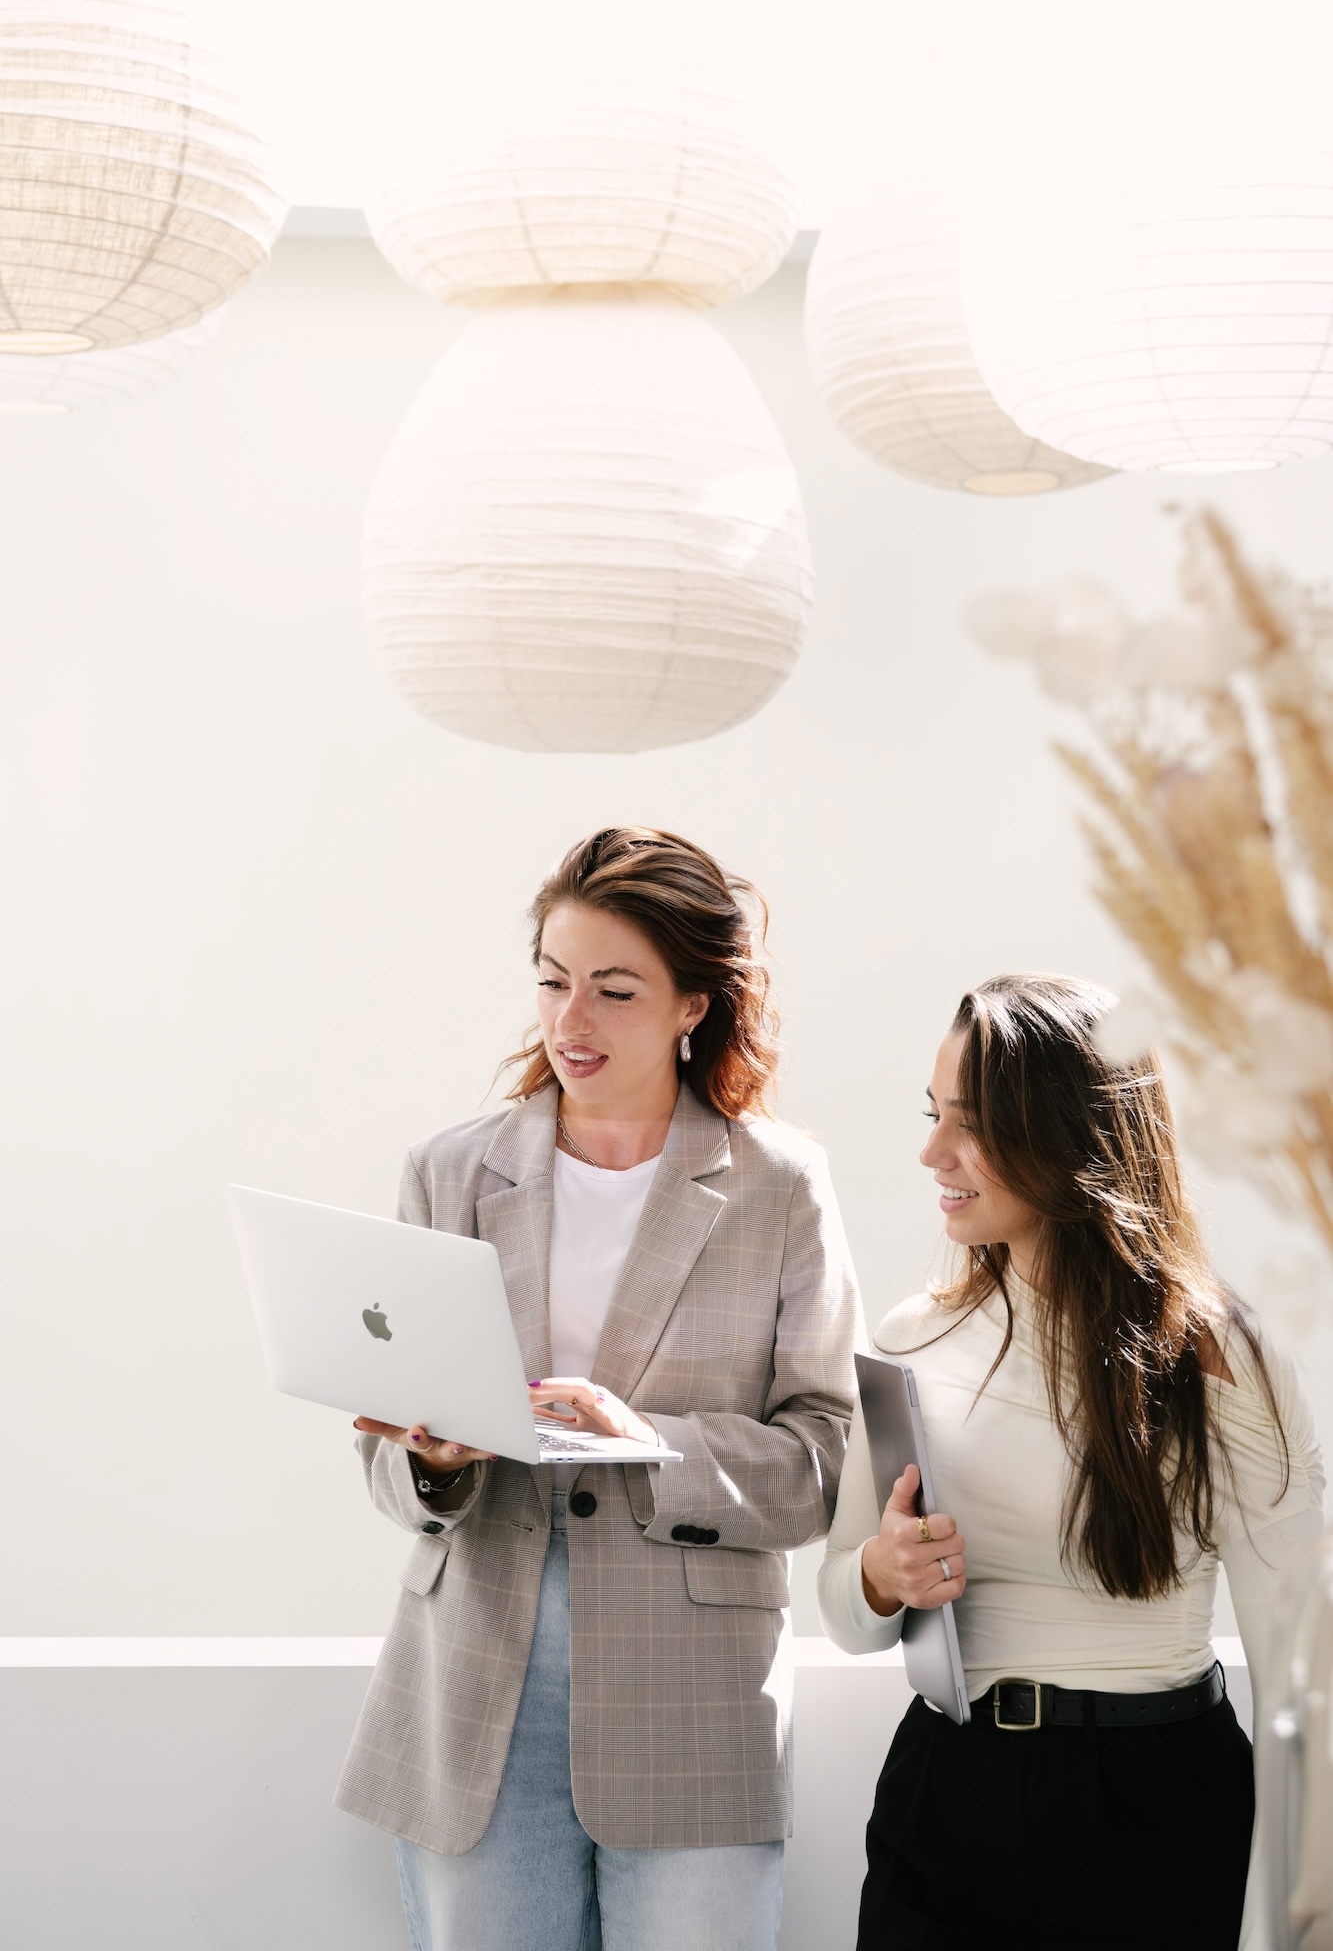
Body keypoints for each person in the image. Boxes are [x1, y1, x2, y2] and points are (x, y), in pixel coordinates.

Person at [336, 826, 858, 1951]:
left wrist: (648, 1439)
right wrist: (431, 1457)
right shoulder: (452, 1168)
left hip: (695, 1701)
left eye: (613, 989)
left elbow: (823, 1461)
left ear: (691, 1006)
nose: (570, 1021)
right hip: (474, 1685)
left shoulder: (779, 1187)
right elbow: (381, 1453)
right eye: (551, 980)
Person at [818, 973, 1324, 1951]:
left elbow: (1303, 1666)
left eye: (968, 1125)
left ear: (1064, 1131)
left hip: (1156, 1805)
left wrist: (1294, 1925)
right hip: (944, 1799)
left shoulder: (1221, 1353)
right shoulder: (911, 1337)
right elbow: (845, 1607)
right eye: (933, 1116)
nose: (931, 1153)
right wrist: (881, 1576)